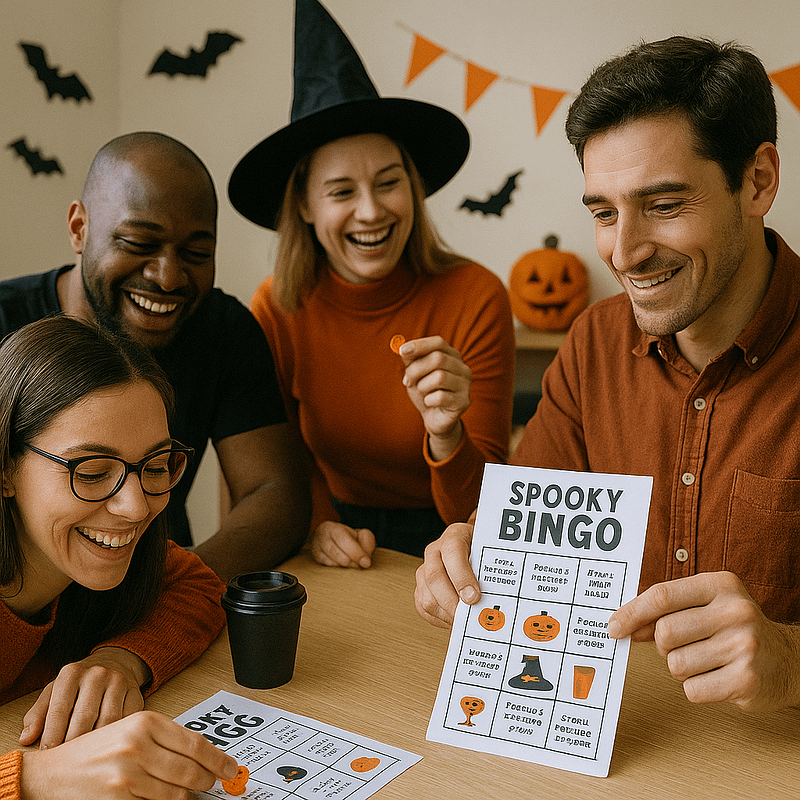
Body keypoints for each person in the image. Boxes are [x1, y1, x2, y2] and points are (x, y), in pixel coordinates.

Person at [415, 36, 800, 715]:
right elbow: (520, 542)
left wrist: (792, 663)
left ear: (759, 182)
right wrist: (477, 550)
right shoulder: (593, 340)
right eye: (603, 212)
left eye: (664, 204)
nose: (624, 252)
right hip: (624, 737)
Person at [227, 0, 515, 567]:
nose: (370, 211)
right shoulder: (276, 306)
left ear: (413, 189)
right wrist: (319, 522)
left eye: (389, 183)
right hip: (333, 527)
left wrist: (447, 434)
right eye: (340, 192)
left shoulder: (476, 296)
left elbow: (484, 511)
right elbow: (282, 453)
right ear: (305, 207)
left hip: (453, 539)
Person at [0, 131, 310, 581]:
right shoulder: (8, 326)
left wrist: (177, 589)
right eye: (139, 244)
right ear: (79, 229)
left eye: (197, 253)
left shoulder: (222, 330)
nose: (168, 278)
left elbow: (277, 493)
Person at [0, 315, 237, 798]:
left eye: (154, 465)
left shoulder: (98, 555)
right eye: (90, 472)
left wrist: (120, 660)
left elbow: (197, 585)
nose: (134, 506)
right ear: (6, 468)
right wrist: (36, 779)